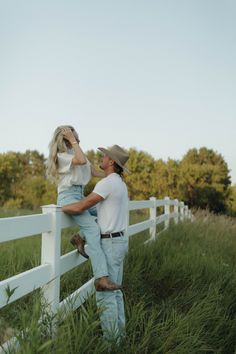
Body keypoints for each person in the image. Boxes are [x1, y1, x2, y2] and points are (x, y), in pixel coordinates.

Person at [62, 144, 129, 343]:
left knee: (105, 296)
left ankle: (112, 344)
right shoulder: (119, 183)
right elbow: (101, 213)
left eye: (105, 156)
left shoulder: (107, 184)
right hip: (118, 241)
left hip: (110, 244)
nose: (102, 158)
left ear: (111, 162)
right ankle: (120, 337)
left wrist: (64, 207)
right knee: (114, 293)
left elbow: (84, 205)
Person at [46, 126, 121, 291]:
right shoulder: (61, 157)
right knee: (93, 229)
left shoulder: (76, 152)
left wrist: (113, 174)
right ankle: (101, 277)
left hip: (80, 195)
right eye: (74, 137)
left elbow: (91, 169)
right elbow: (81, 161)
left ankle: (79, 238)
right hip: (68, 196)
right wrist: (73, 140)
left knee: (105, 214)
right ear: (66, 139)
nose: (78, 139)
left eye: (77, 137)